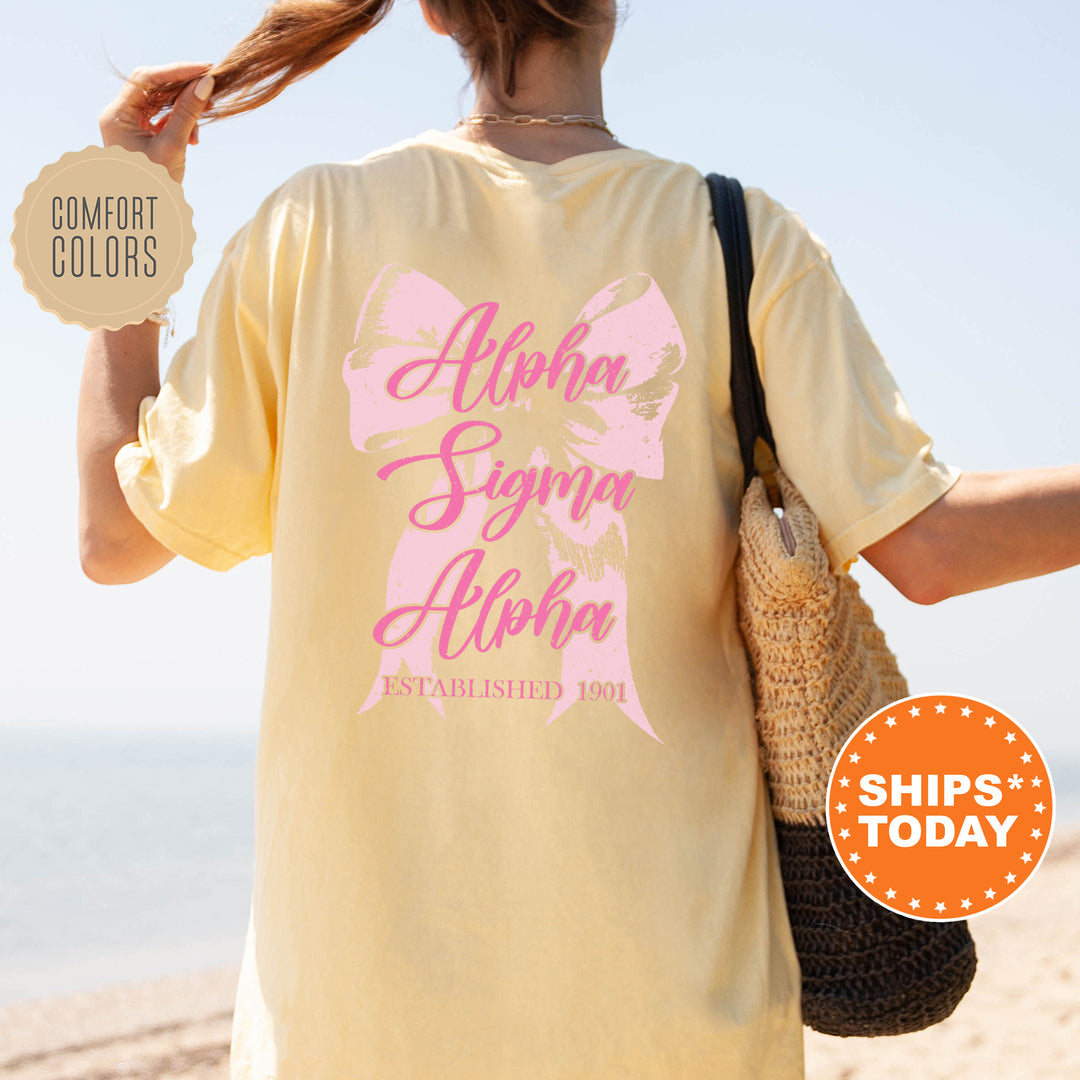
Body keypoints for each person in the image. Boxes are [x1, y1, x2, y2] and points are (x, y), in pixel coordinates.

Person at [77, 2, 1080, 1078]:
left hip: (356, 1018)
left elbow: (115, 539)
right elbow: (929, 549)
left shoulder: (313, 225)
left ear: (429, 12)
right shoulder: (736, 239)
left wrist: (128, 214)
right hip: (675, 1007)